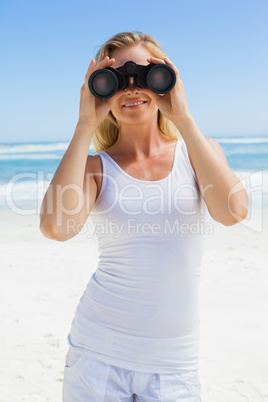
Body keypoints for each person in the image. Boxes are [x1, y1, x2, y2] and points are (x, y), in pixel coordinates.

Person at [40, 31, 249, 402]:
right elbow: (56, 227)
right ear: (100, 89)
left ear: (166, 79)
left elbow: (233, 212)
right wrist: (84, 125)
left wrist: (183, 118)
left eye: (145, 74)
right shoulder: (95, 168)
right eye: (116, 79)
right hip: (98, 354)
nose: (131, 87)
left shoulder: (199, 153)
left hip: (174, 363)